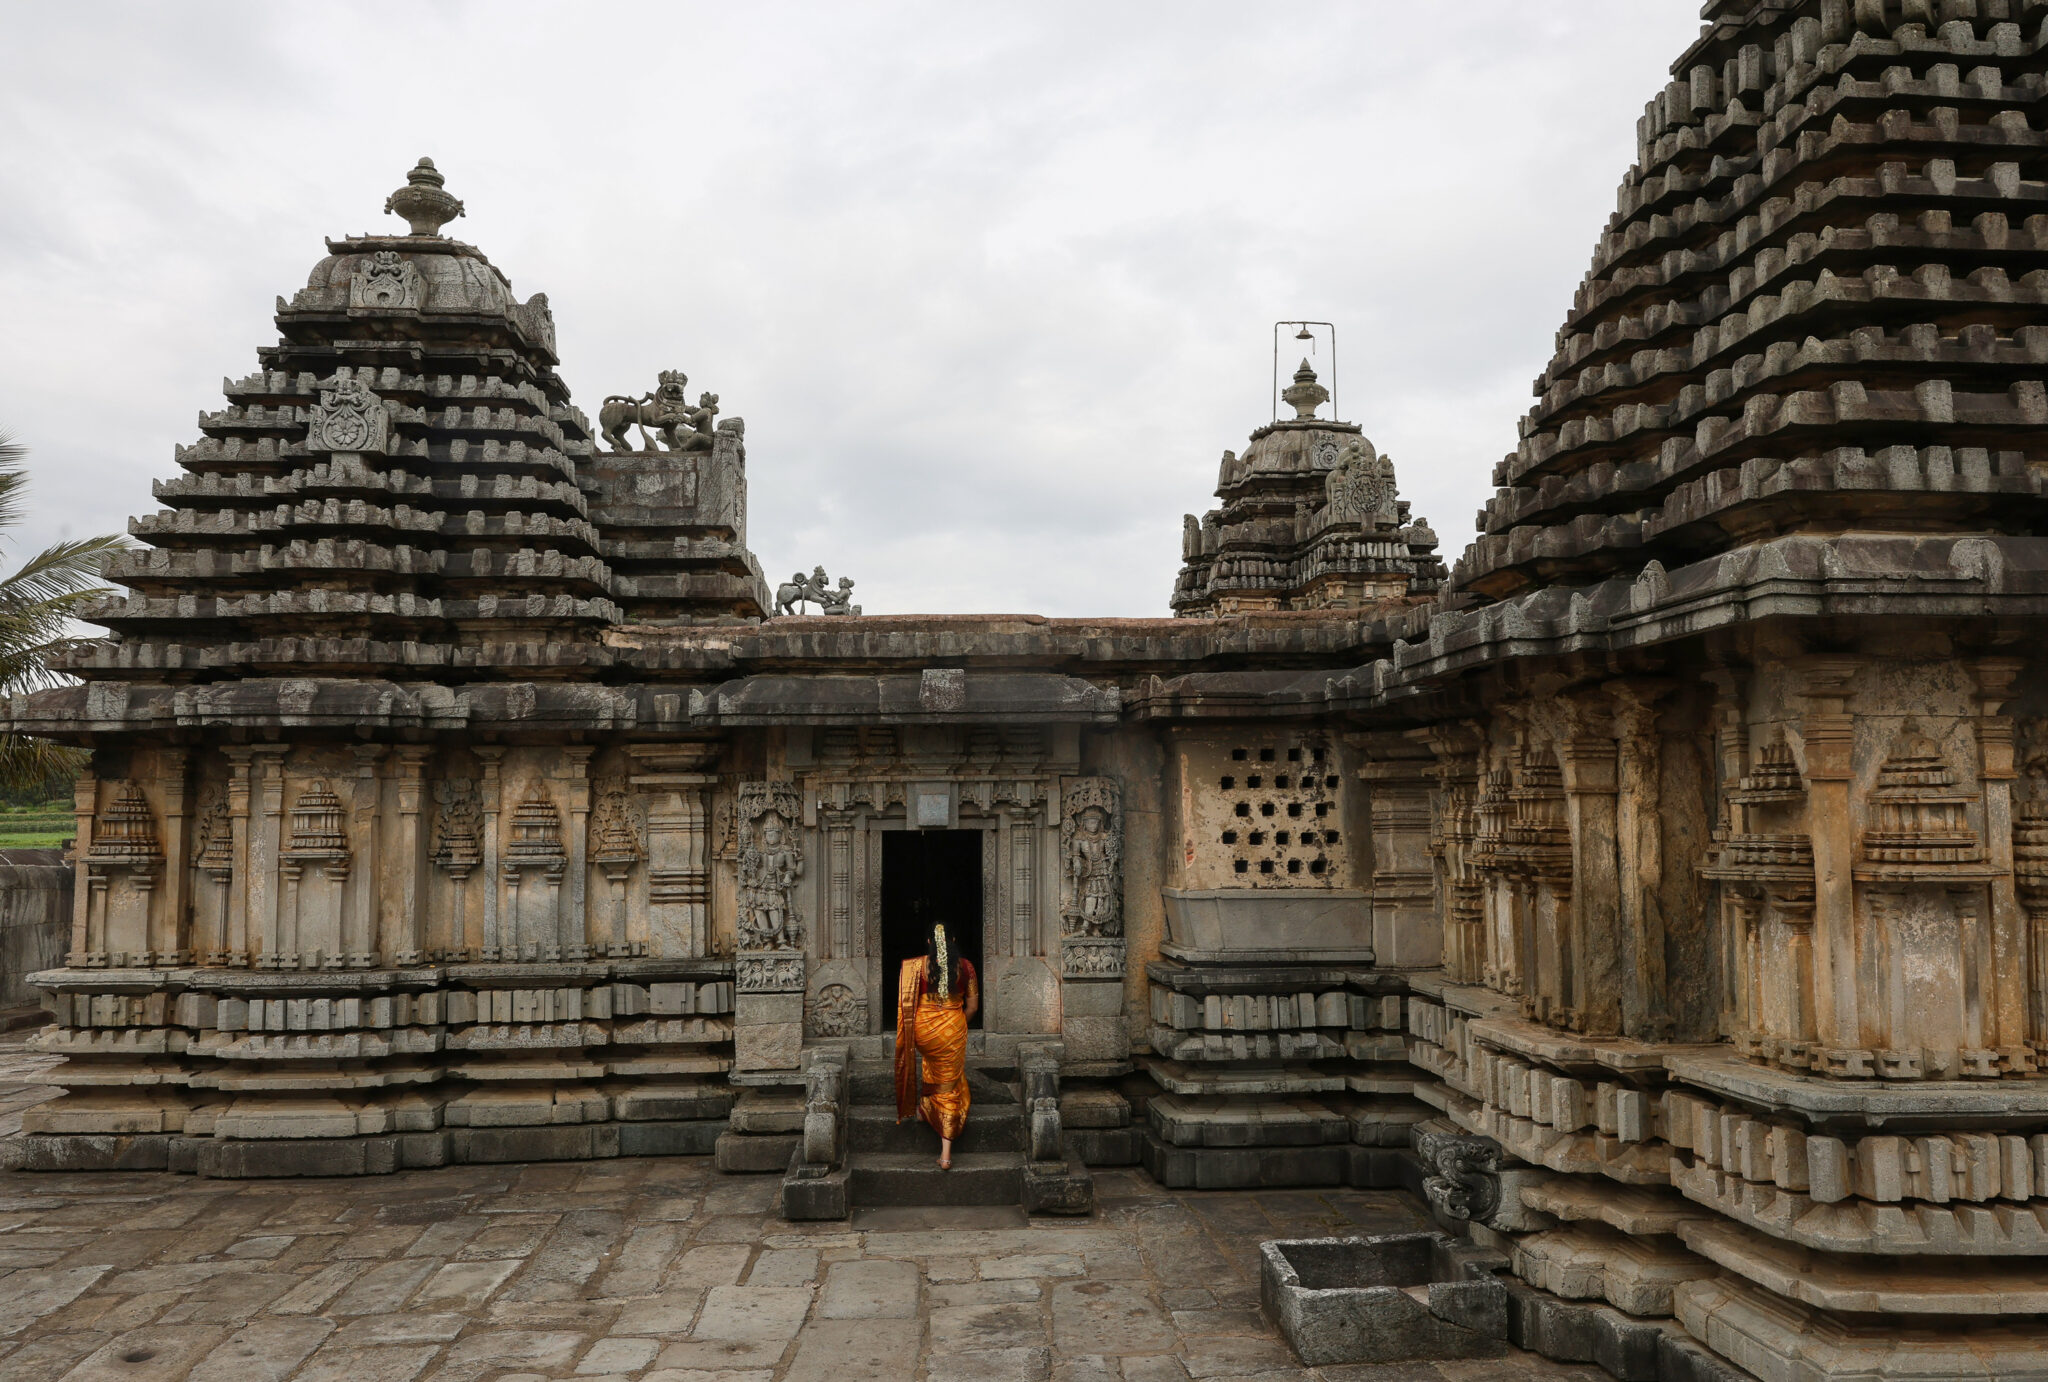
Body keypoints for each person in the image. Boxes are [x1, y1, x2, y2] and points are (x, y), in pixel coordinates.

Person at [894, 921, 980, 1169]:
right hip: (952, 1030)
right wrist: (954, 1025)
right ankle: (945, 1154)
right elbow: (972, 1007)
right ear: (952, 941)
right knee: (949, 1086)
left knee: (931, 1065)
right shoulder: (966, 967)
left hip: (923, 1033)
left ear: (929, 943)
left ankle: (925, 1110)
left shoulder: (916, 967)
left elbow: (908, 1004)